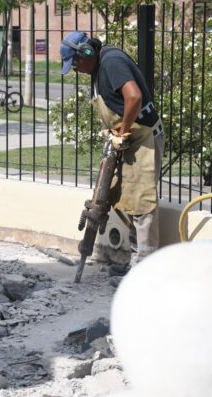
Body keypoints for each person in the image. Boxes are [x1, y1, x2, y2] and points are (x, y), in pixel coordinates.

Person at [60, 31, 165, 278]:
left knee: (142, 203)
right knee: (127, 200)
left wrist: (123, 132)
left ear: (86, 52)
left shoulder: (111, 61)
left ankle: (144, 273)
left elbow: (134, 97)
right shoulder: (98, 68)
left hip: (143, 139)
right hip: (127, 141)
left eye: (75, 63)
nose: (75, 69)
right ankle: (135, 263)